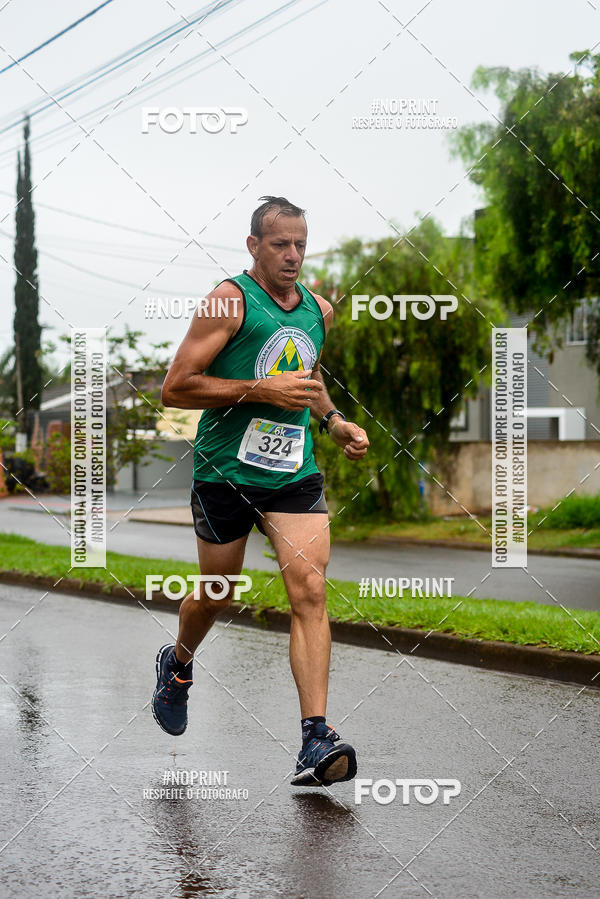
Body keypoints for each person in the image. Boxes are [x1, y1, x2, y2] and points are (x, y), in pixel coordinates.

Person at [152, 196, 369, 787]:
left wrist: (333, 421)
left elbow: (308, 376)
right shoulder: (229, 299)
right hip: (224, 472)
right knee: (217, 593)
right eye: (280, 245)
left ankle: (315, 738)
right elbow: (176, 387)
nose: (293, 255)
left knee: (310, 590)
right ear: (254, 246)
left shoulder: (318, 309)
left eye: (301, 243)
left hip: (292, 476)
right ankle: (179, 662)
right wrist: (258, 390)